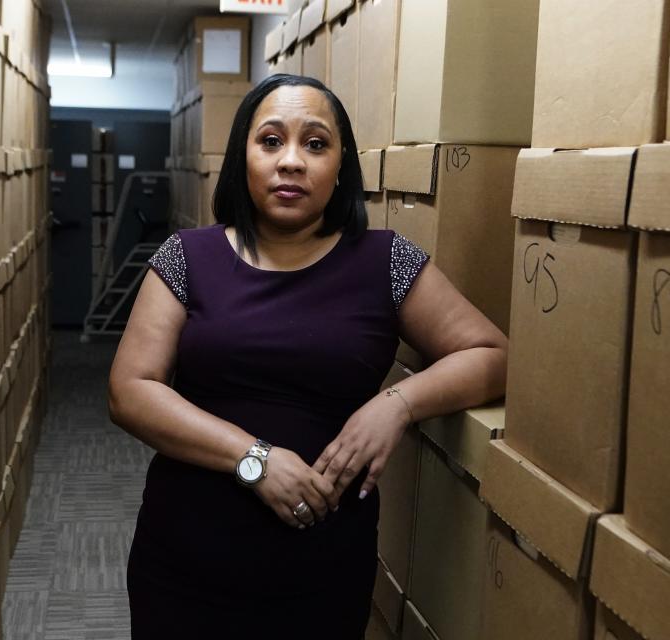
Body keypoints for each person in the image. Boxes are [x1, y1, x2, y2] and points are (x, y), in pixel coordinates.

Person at [108, 74, 508, 639]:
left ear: (341, 165)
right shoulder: (187, 257)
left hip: (322, 567)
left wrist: (396, 404)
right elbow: (130, 391)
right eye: (270, 141)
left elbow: (493, 353)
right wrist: (256, 459)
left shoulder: (385, 262)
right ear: (241, 158)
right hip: (186, 561)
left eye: (315, 144)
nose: (291, 161)